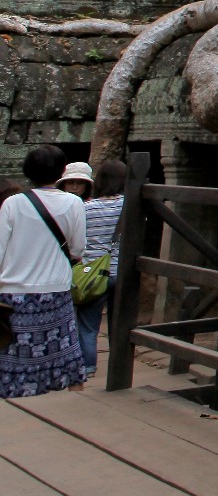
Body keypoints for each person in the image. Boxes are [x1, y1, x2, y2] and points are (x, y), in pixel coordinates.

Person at [0, 145, 89, 396]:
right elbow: (78, 248)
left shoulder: (13, 203)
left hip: (14, 291)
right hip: (55, 288)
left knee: (13, 348)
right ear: (61, 171)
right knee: (65, 346)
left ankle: (15, 388)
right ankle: (74, 393)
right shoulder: (74, 203)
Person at [62, 159, 123, 378]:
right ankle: (120, 364)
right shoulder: (128, 206)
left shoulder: (86, 207)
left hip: (93, 274)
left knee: (88, 325)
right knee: (121, 322)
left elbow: (75, 242)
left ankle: (88, 367)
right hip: (122, 271)